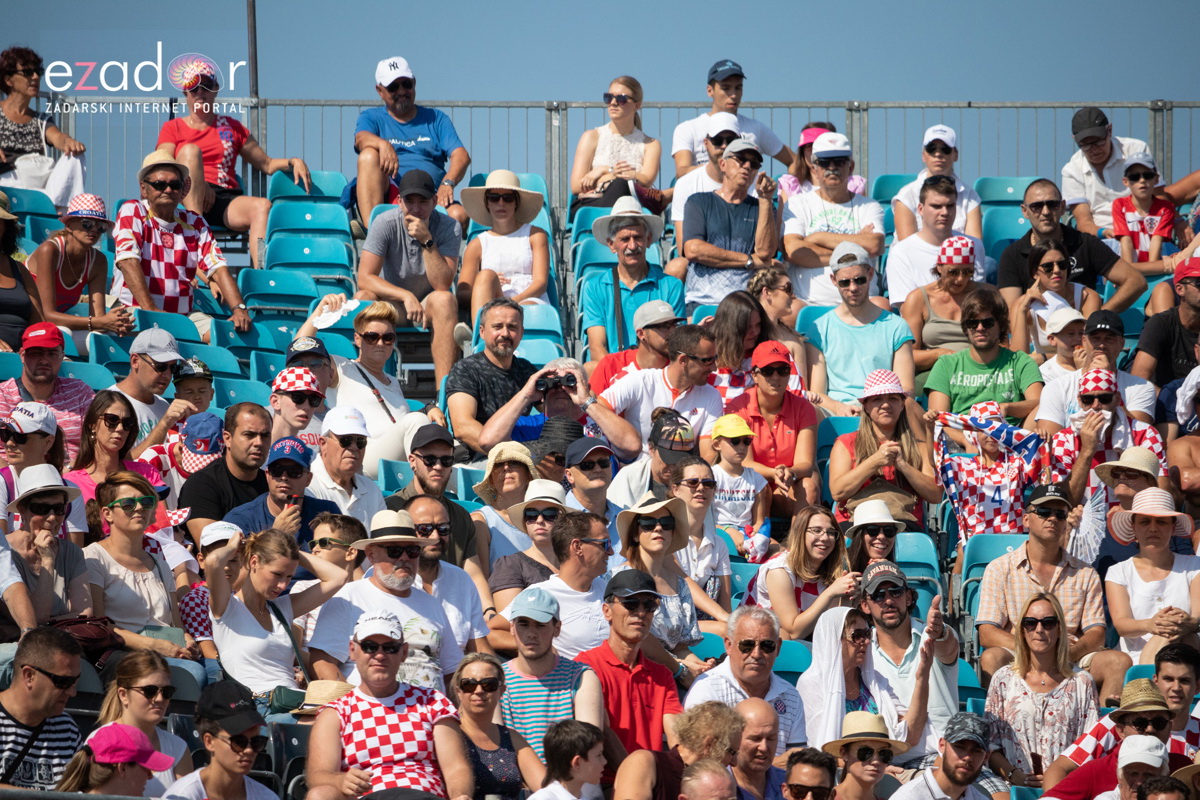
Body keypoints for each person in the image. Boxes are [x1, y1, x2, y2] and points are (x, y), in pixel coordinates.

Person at [975, 484, 1127, 701]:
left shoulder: (1086, 573)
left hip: (1071, 657)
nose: (1053, 519)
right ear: (1026, 519)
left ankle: (1103, 733)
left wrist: (1065, 654)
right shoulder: (1000, 568)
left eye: (1060, 514)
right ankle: (998, 726)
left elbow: (1097, 633)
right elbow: (987, 633)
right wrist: (1033, 650)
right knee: (992, 657)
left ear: (1066, 522)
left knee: (1118, 662)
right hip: (1019, 654)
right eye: (1044, 512)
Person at [155, 62, 310, 268]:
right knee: (190, 151)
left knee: (262, 206)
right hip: (185, 197)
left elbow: (267, 163)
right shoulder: (173, 127)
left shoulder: (232, 127)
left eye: (206, 86)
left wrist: (293, 161)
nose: (200, 92)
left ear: (215, 89)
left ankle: (261, 278)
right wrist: (200, 186)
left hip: (224, 198)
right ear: (186, 93)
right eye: (193, 87)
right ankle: (199, 242)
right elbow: (161, 165)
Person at [306, 609, 473, 799]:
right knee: (320, 794)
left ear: (403, 652)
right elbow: (318, 775)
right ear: (353, 650)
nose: (379, 655)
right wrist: (339, 781)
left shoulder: (432, 701)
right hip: (370, 796)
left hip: (421, 795)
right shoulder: (336, 712)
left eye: (390, 648)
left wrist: (461, 796)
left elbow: (455, 767)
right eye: (369, 646)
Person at [309, 510, 463, 688]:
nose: (404, 558)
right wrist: (353, 706)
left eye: (412, 550)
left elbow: (452, 670)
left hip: (431, 711)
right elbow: (322, 663)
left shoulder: (431, 603)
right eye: (394, 550)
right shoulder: (348, 597)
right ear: (371, 554)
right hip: (371, 710)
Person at [206, 527, 347, 718]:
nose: (282, 585)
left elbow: (338, 577)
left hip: (296, 703)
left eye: (289, 577)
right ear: (253, 562)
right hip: (259, 708)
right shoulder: (227, 608)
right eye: (277, 574)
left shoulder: (281, 609)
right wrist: (233, 546)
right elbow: (213, 561)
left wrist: (292, 553)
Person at [85, 471, 206, 685]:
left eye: (146, 502)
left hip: (168, 652)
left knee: (213, 672)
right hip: (124, 654)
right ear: (108, 513)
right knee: (192, 676)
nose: (139, 508)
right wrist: (154, 645)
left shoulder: (159, 561)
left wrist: (187, 641)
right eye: (129, 504)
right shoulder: (93, 557)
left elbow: (176, 626)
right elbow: (99, 627)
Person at [114, 152, 250, 339]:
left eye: (175, 185)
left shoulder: (194, 221)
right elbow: (127, 261)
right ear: (144, 189)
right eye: (160, 185)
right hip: (134, 310)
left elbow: (217, 267)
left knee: (228, 336)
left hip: (183, 315)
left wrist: (239, 308)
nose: (168, 190)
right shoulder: (133, 210)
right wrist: (150, 310)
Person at [353, 170, 462, 383]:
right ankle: (366, 383)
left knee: (445, 299)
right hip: (394, 305)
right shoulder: (385, 222)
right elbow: (364, 277)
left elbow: (442, 284)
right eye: (409, 201)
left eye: (422, 201)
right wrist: (404, 295)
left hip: (429, 306)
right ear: (400, 202)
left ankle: (445, 394)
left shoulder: (450, 226)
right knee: (363, 297)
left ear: (434, 201)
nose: (416, 209)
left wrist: (426, 240)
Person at [1047, 372, 1168, 561]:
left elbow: (1162, 493)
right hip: (1081, 530)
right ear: (1079, 401)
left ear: (1117, 399)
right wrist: (1087, 450)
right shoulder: (1065, 439)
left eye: (1104, 398)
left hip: (1134, 527)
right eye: (1088, 399)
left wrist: (1127, 509)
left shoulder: (1144, 434)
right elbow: (1064, 501)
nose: (1096, 406)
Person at [984, 592, 1100, 788]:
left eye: (1048, 623)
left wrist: (1060, 778)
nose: (1039, 629)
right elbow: (989, 745)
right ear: (1021, 630)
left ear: (1060, 630)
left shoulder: (1082, 682)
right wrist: (1014, 775)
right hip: (1013, 789)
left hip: (1066, 789)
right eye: (1031, 622)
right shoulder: (1003, 679)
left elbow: (1090, 747)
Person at [858, 561, 963, 771]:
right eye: (878, 595)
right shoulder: (861, 650)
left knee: (997, 792)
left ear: (908, 597)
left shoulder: (932, 636)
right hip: (891, 763)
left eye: (895, 592)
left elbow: (948, 646)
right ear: (865, 606)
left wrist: (940, 632)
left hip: (947, 757)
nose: (888, 600)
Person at [1045, 648, 1200, 788]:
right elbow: (1059, 768)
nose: (1176, 688)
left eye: (1184, 680)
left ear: (1198, 687)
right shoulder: (1119, 722)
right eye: (1168, 679)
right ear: (1156, 681)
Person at [577, 568, 685, 761]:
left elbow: (678, 738)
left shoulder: (662, 676)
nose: (641, 612)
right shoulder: (585, 667)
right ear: (607, 611)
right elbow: (602, 733)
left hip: (652, 781)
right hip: (605, 782)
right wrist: (633, 778)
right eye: (631, 603)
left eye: (650, 605)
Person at [353, 56, 471, 229]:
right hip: (394, 195)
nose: (401, 91)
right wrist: (382, 144)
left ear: (414, 83)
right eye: (393, 87)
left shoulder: (436, 119)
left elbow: (461, 155)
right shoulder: (372, 117)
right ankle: (374, 231)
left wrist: (448, 183)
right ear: (380, 91)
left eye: (406, 84)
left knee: (458, 216)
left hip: (430, 197)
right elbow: (361, 139)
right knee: (369, 155)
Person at [997, 179, 1145, 314]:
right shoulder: (1012, 255)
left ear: (1062, 207)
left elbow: (1136, 282)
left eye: (1052, 204)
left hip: (1083, 337)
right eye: (1037, 206)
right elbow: (1012, 313)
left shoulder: (1085, 243)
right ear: (1025, 211)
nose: (1046, 212)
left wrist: (1096, 319)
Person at [803, 244, 915, 413]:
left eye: (859, 280)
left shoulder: (896, 326)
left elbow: (906, 388)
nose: (853, 288)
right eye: (844, 282)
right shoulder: (819, 329)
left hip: (884, 410)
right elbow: (817, 393)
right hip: (836, 412)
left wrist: (875, 408)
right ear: (834, 281)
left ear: (871, 274)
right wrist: (839, 407)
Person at [611, 496, 710, 685]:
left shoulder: (680, 585)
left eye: (666, 523)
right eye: (648, 523)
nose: (658, 528)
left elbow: (680, 646)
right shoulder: (618, 577)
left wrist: (699, 667)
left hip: (673, 676)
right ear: (634, 534)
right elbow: (632, 641)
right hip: (633, 676)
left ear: (672, 533)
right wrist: (680, 668)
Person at [497, 586, 604, 760]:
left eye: (540, 625)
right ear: (511, 627)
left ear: (557, 628)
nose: (531, 634)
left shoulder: (582, 677)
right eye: (523, 624)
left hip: (570, 780)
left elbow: (589, 748)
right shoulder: (496, 680)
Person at [685, 605, 806, 755]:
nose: (756, 654)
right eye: (747, 645)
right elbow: (700, 761)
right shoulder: (707, 689)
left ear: (778, 648)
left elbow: (797, 760)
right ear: (728, 645)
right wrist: (772, 765)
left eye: (767, 645)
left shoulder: (791, 695)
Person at [782, 133, 885, 308]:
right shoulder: (797, 203)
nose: (832, 167)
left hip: (862, 303)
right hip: (809, 302)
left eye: (839, 161)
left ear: (850, 166)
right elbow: (793, 251)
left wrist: (818, 238)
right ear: (814, 168)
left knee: (882, 305)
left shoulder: (870, 206)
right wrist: (856, 253)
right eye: (824, 162)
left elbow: (875, 245)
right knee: (791, 311)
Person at [1042, 679, 1190, 800]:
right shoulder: (1095, 770)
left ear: (1169, 727)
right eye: (1140, 723)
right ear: (1120, 730)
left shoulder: (1184, 768)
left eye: (1159, 723)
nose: (1150, 729)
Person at [677, 138, 778, 311]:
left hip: (744, 306)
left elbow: (765, 253)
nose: (747, 166)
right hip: (703, 303)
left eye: (754, 164)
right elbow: (693, 250)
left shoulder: (763, 207)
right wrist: (748, 260)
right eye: (740, 159)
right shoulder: (699, 201)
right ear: (722, 164)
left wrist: (766, 199)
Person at [492, 512, 610, 660]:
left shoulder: (608, 589)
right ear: (578, 546)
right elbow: (491, 632)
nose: (610, 552)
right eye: (604, 544)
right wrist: (544, 648)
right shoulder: (542, 594)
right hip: (571, 680)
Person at [831, 369, 940, 529]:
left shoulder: (919, 446)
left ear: (902, 404)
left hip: (904, 524)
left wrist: (903, 465)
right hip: (855, 523)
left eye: (893, 398)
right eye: (877, 399)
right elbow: (838, 492)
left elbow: (935, 495)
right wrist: (875, 461)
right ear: (865, 406)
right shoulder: (845, 443)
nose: (886, 405)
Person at [477, 357, 641, 463]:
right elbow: (487, 442)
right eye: (553, 384)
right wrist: (525, 395)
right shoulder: (529, 426)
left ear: (586, 387)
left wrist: (586, 401)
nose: (562, 388)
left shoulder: (604, 425)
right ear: (541, 391)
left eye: (570, 382)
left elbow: (632, 447)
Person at [581, 198, 684, 361]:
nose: (632, 245)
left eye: (638, 237)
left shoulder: (672, 286)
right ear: (611, 244)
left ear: (648, 240)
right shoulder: (594, 287)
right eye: (624, 239)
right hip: (613, 375)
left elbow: (676, 343)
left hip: (657, 373)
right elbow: (597, 347)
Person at [600, 323, 723, 461]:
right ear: (683, 360)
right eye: (707, 361)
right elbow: (597, 408)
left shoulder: (712, 395)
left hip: (682, 477)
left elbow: (709, 457)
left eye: (715, 359)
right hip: (635, 472)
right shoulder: (640, 380)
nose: (714, 368)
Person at [1105, 488, 1200, 664]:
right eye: (1145, 522)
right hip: (1136, 658)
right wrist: (1152, 624)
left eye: (1161, 522)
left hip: (1189, 654)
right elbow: (1121, 624)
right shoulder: (1118, 572)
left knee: (1186, 637)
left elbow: (1197, 616)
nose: (1153, 528)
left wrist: (1185, 623)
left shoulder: (1195, 566)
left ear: (1172, 527)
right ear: (1133, 527)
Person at [726, 340, 819, 514]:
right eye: (768, 371)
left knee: (809, 485)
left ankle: (798, 541)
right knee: (761, 488)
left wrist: (790, 472)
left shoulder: (804, 408)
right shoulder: (738, 408)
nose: (776, 377)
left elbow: (806, 463)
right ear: (754, 375)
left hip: (787, 485)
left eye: (783, 371)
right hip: (749, 487)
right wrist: (774, 473)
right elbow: (743, 462)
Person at [931, 401, 1046, 544]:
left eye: (996, 429)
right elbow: (935, 464)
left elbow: (1044, 475)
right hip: (974, 541)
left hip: (1014, 538)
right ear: (972, 433)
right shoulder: (959, 464)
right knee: (962, 554)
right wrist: (931, 425)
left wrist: (1041, 444)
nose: (991, 435)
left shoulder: (1017, 462)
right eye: (984, 429)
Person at [926, 285, 1043, 422]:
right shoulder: (946, 364)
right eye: (972, 323)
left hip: (1010, 436)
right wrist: (966, 440)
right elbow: (939, 419)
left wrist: (1006, 407)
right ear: (965, 327)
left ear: (1001, 325)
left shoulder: (1020, 361)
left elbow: (1040, 403)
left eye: (988, 322)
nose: (980, 328)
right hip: (963, 436)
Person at [26, 195, 132, 341]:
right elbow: (47, 315)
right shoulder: (49, 250)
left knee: (105, 338)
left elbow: (98, 319)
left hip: (54, 329)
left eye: (101, 226)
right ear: (69, 225)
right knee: (62, 333)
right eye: (87, 223)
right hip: (27, 323)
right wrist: (98, 322)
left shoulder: (98, 261)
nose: (94, 230)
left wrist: (116, 324)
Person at [2, 464, 90, 635]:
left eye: (59, 509)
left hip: (65, 644)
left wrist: (45, 625)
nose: (52, 518)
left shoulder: (72, 552)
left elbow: (84, 613)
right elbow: (35, 616)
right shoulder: (4, 554)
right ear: (22, 510)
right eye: (41, 509)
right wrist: (47, 561)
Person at [387, 422, 483, 577]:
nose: (438, 466)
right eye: (429, 459)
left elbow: (475, 576)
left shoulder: (462, 516)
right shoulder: (390, 510)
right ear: (412, 460)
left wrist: (487, 603)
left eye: (446, 460)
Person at [1038, 309, 1157, 434]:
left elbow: (1139, 435)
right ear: (1084, 341)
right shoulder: (1057, 387)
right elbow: (1050, 443)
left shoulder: (1142, 387)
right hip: (1075, 453)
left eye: (1109, 339)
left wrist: (1108, 382)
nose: (1101, 345)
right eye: (1095, 338)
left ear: (1121, 343)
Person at [742, 505, 852, 640]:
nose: (824, 538)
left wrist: (848, 599)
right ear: (800, 533)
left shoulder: (832, 570)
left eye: (830, 532)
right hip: (757, 642)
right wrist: (830, 593)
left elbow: (832, 630)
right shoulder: (779, 569)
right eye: (816, 530)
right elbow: (793, 632)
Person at [446, 298, 538, 456]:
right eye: (497, 327)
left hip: (518, 457)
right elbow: (463, 427)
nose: (505, 333)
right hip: (476, 459)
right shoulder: (466, 369)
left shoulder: (526, 370)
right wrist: (510, 455)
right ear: (482, 332)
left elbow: (556, 411)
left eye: (512, 327)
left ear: (521, 332)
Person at [91, 650, 192, 796]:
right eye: (149, 691)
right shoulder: (100, 741)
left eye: (166, 691)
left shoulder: (178, 747)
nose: (159, 699)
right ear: (123, 694)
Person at [671, 60, 792, 178]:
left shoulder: (756, 128)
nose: (733, 95)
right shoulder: (688, 128)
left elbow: (794, 162)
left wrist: (788, 189)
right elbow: (682, 172)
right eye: (726, 88)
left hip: (745, 197)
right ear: (709, 90)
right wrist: (720, 169)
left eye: (738, 88)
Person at [406, 493, 492, 655]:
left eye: (443, 529)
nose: (435, 536)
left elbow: (480, 647)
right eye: (425, 529)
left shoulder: (462, 581)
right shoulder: (385, 579)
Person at [224, 436, 341, 553]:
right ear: (267, 475)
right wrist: (277, 535)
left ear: (308, 479)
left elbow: (346, 562)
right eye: (277, 470)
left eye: (294, 472)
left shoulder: (328, 512)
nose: (284, 477)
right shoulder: (240, 519)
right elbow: (234, 568)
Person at [452, 652, 545, 800]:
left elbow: (547, 788)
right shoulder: (450, 734)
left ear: (501, 691)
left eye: (489, 684)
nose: (479, 691)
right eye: (469, 685)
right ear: (459, 692)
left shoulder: (512, 738)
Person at [161, 681, 276, 800]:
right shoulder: (184, 795)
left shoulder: (266, 796)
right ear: (209, 742)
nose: (249, 750)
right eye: (238, 742)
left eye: (257, 742)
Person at [459, 170, 550, 317]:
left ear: (516, 203)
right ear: (487, 203)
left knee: (501, 307)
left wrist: (512, 302)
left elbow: (540, 283)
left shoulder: (536, 235)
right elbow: (462, 292)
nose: (501, 203)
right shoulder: (477, 244)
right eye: (494, 198)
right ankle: (480, 335)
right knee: (486, 277)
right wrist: (486, 287)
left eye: (508, 198)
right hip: (491, 305)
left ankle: (477, 332)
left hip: (529, 300)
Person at [0, 626, 81, 791]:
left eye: (75, 681)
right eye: (63, 682)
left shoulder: (67, 728)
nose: (72, 692)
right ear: (29, 676)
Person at [611, 701, 744, 800]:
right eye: (731, 752)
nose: (734, 762)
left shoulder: (717, 783)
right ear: (709, 744)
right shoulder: (644, 762)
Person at [671, 113, 754, 269]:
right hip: (707, 263)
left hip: (745, 265)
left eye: (730, 141)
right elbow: (685, 248)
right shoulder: (686, 184)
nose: (724, 146)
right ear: (706, 143)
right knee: (676, 267)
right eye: (717, 140)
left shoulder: (753, 181)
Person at [0, 322, 91, 464]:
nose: (44, 360)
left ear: (62, 356)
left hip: (72, 477)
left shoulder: (79, 392)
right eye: (36, 353)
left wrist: (71, 474)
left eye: (52, 354)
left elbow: (98, 441)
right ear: (22, 355)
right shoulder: (2, 396)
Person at [897, 234, 982, 385]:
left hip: (978, 370)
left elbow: (1001, 345)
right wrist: (942, 354)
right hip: (933, 372)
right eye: (953, 272)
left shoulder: (985, 295)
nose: (960, 279)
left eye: (967, 272)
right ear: (939, 267)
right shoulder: (918, 299)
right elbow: (908, 355)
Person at [179, 403, 270, 544]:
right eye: (249, 435)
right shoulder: (200, 485)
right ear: (227, 438)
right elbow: (215, 552)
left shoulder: (272, 483)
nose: (259, 442)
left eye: (265, 436)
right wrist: (276, 533)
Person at [570, 75, 662, 213]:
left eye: (621, 98)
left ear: (637, 105)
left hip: (632, 205)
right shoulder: (591, 137)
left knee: (622, 185)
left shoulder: (651, 144)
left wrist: (605, 173)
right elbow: (576, 186)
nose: (613, 102)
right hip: (593, 203)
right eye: (608, 97)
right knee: (622, 185)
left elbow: (647, 180)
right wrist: (611, 172)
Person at [1061, 106, 1155, 240]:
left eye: (1098, 142)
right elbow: (1084, 222)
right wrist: (1104, 233)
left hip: (1144, 232)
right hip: (1100, 240)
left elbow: (1158, 196)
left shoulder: (1137, 150)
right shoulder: (1071, 170)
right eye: (1085, 145)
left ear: (1109, 130)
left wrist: (1178, 222)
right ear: (1075, 139)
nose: (1094, 150)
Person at [0, 401, 83, 538]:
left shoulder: (72, 492)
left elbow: (73, 555)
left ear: (48, 442)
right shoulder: (2, 483)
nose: (9, 443)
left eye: (20, 437)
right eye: (5, 434)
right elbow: (1, 553)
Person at [1010, 237, 1103, 360]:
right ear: (1035, 273)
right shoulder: (1022, 304)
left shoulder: (1087, 297)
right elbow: (1017, 360)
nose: (1057, 270)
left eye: (1062, 264)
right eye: (1048, 267)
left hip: (1078, 368)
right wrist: (1022, 310)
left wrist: (1043, 358)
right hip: (1042, 373)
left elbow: (1089, 349)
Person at [671, 455, 734, 625]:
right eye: (693, 482)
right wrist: (727, 620)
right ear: (675, 489)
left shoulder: (719, 545)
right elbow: (684, 581)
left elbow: (725, 605)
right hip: (672, 624)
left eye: (708, 484)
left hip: (708, 626)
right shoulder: (665, 535)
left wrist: (728, 620)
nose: (701, 488)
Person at [892, 125, 984, 242]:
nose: (938, 154)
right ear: (923, 155)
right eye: (931, 148)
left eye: (945, 149)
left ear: (955, 155)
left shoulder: (970, 196)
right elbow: (908, 246)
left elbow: (974, 244)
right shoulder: (907, 195)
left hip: (958, 258)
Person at [0, 47, 85, 170]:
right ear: (9, 80)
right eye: (27, 72)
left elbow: (58, 137)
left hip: (34, 183)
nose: (35, 77)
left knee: (76, 157)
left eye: (38, 72)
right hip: (3, 183)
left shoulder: (42, 121)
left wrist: (69, 142)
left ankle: (75, 190)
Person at [489, 480, 566, 613]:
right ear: (525, 522)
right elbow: (509, 623)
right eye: (531, 515)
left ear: (563, 520)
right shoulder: (510, 566)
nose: (540, 520)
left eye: (550, 515)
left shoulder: (577, 563)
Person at [305, 406, 387, 526]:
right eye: (345, 440)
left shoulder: (372, 490)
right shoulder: (307, 485)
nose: (353, 447)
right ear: (323, 444)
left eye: (360, 441)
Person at [111, 328, 189, 453]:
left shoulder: (163, 405)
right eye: (161, 366)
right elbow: (116, 465)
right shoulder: (109, 404)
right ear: (135, 361)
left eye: (173, 368)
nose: (168, 375)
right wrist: (164, 424)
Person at [135, 392, 218, 506]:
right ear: (180, 445)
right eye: (195, 457)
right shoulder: (153, 458)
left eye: (208, 458)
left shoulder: (225, 463)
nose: (201, 469)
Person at [608, 408, 699, 507]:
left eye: (680, 459)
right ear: (651, 448)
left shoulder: (698, 481)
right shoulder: (628, 478)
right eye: (668, 458)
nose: (674, 466)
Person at [589, 299, 682, 395]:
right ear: (641, 334)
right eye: (664, 326)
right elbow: (592, 407)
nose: (673, 332)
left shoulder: (681, 366)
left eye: (675, 325)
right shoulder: (611, 364)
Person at [889, 713, 991, 800]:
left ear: (986, 756)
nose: (968, 757)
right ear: (942, 745)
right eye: (959, 747)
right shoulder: (909, 797)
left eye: (977, 751)